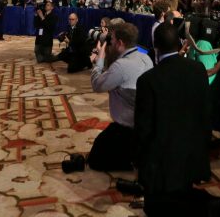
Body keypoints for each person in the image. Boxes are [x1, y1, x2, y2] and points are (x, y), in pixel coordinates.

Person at [135, 23, 211, 215]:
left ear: (155, 47)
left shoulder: (147, 80)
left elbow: (143, 129)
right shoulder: (198, 69)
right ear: (180, 44)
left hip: (161, 164)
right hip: (195, 154)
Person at [87, 23, 153, 171]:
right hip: (145, 126)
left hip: (127, 129)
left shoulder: (121, 66)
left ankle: (132, 162)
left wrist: (100, 57)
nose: (110, 42)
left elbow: (97, 85)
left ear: (120, 43)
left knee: (95, 160)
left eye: (113, 40)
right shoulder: (146, 58)